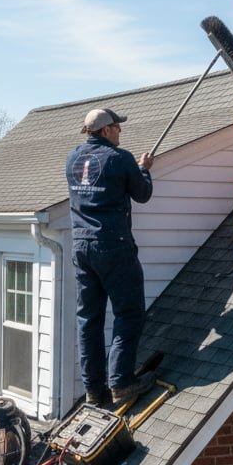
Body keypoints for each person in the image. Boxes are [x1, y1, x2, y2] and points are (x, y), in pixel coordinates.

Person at [66, 107, 155, 407]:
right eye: (116, 127)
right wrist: (144, 169)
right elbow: (142, 194)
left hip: (81, 247)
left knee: (89, 319)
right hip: (113, 246)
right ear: (105, 130)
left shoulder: (72, 159)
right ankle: (121, 382)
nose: (120, 131)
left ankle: (94, 390)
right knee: (129, 313)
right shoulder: (120, 159)